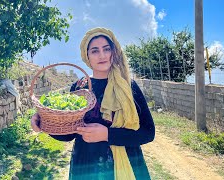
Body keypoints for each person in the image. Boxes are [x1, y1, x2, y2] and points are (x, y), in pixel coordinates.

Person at [31, 27, 155, 180]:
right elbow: (70, 133)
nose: (102, 55)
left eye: (106, 49)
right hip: (86, 166)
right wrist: (45, 123)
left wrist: (107, 134)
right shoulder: (79, 87)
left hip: (126, 164)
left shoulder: (128, 87)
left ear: (113, 52)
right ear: (87, 56)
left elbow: (148, 133)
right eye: (95, 51)